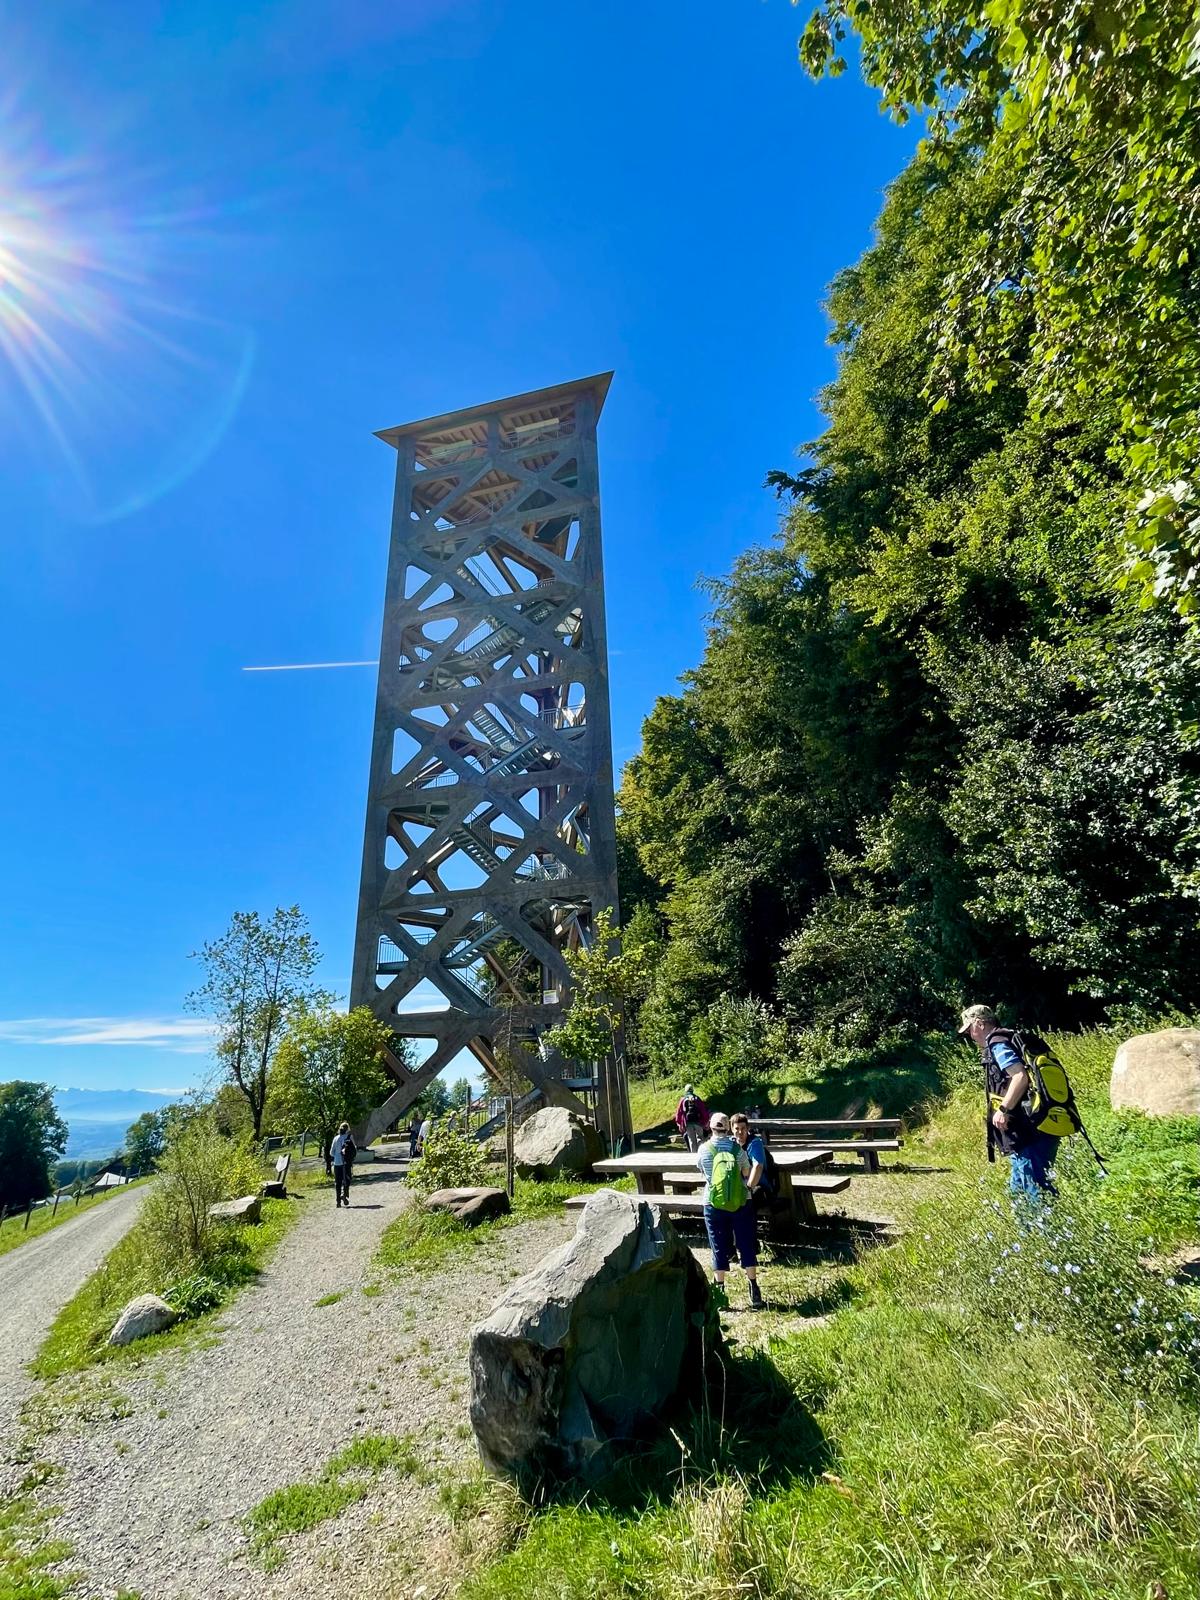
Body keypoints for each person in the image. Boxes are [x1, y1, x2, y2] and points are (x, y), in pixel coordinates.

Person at [958, 1004, 1058, 1203]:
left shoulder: (998, 1044)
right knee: (1018, 1191)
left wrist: (1003, 1109)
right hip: (1036, 1126)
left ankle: (1043, 1232)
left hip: (1029, 1130)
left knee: (1035, 1191)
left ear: (980, 1023)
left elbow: (1020, 1077)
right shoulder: (1009, 1039)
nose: (970, 1034)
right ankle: (1025, 1233)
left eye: (970, 1028)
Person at [697, 1111, 763, 1310]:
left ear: (710, 1127)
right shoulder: (737, 1149)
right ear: (728, 1128)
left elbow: (703, 1171)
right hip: (741, 1202)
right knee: (746, 1243)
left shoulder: (704, 1150)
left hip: (713, 1203)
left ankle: (720, 1293)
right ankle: (754, 1289)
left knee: (718, 1246)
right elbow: (746, 1172)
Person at [731, 1112, 776, 1214]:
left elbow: (758, 1166)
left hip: (759, 1186)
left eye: (743, 1128)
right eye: (737, 1129)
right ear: (732, 1129)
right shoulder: (731, 1144)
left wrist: (748, 1189)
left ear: (748, 1128)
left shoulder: (754, 1143)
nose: (740, 1131)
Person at [674, 1084, 710, 1153]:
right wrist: (706, 1122)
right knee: (700, 1138)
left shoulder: (683, 1099)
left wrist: (679, 1124)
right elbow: (703, 1111)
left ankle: (693, 1155)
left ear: (685, 1090)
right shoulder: (697, 1099)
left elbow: (679, 1113)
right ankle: (701, 1154)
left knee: (691, 1140)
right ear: (692, 1090)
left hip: (688, 1123)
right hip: (698, 1122)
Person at [330, 1121, 357, 1208]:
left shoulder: (335, 1138)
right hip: (346, 1163)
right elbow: (354, 1149)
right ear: (348, 1129)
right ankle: (344, 1194)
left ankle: (338, 1201)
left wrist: (337, 1156)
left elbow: (331, 1152)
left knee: (338, 1182)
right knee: (347, 1180)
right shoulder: (350, 1137)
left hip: (337, 1163)